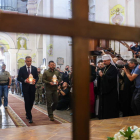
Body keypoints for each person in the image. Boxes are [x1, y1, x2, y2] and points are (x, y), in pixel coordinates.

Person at [17, 56, 38, 123]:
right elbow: (19, 78)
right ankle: (30, 117)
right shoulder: (22, 69)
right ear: (25, 61)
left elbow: (37, 77)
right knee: (27, 101)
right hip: (25, 87)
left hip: (32, 87)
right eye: (28, 61)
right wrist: (25, 80)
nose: (29, 62)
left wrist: (35, 81)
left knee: (31, 101)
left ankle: (28, 112)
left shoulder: (34, 68)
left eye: (30, 61)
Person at [98, 54, 119, 119]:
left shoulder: (113, 69)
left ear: (109, 60)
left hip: (111, 91)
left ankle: (110, 116)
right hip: (104, 90)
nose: (104, 63)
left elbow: (112, 79)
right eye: (103, 61)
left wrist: (103, 76)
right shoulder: (104, 68)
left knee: (110, 105)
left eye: (105, 61)